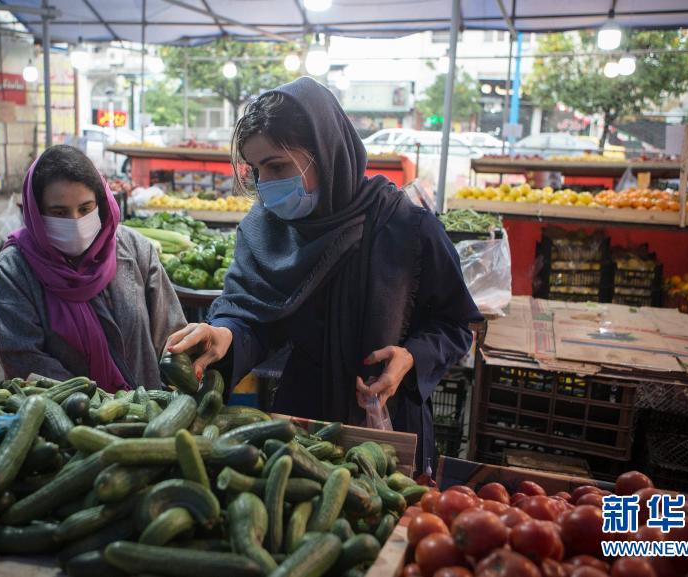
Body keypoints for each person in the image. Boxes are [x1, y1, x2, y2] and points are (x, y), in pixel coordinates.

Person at [166, 77, 481, 473]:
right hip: (301, 425)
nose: (267, 185)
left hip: (386, 423)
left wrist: (412, 357)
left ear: (326, 153)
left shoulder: (407, 228)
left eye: (278, 166)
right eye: (258, 170)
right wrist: (225, 332)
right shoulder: (267, 230)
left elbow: (455, 323)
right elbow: (253, 316)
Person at [0, 145, 186, 391]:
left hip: (150, 417)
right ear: (36, 212)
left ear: (100, 202)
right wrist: (106, 408)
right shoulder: (13, 272)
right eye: (59, 212)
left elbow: (172, 336)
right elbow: (24, 361)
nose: (76, 223)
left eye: (85, 209)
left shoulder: (135, 249)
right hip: (72, 423)